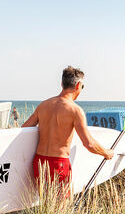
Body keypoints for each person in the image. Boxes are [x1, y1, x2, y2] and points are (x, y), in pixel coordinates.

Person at [22, 66, 113, 196]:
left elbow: (23, 130)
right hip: (59, 164)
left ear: (61, 84)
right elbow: (89, 144)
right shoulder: (75, 110)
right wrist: (106, 153)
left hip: (39, 162)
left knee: (46, 204)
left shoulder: (43, 105)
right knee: (60, 208)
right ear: (79, 85)